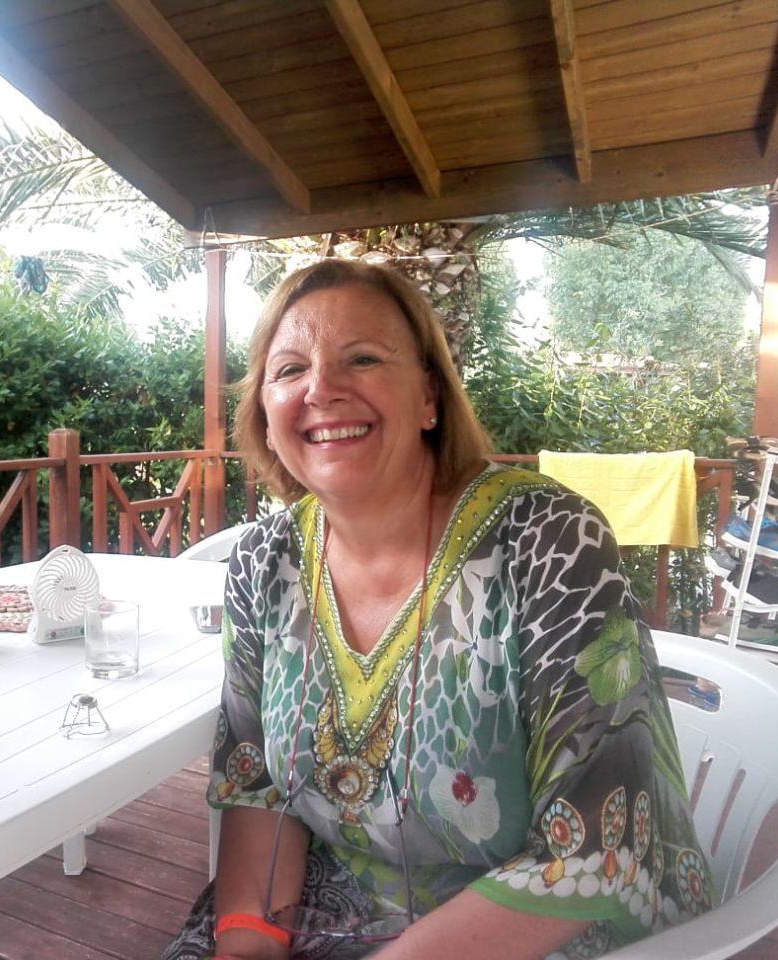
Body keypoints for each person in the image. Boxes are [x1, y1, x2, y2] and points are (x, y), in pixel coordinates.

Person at [161, 261, 711, 960]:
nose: (321, 389)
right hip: (336, 912)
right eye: (290, 369)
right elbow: (258, 787)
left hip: (557, 929)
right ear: (266, 419)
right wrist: (250, 944)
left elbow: (601, 849)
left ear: (429, 396)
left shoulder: (548, 540)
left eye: (362, 358)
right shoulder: (263, 561)